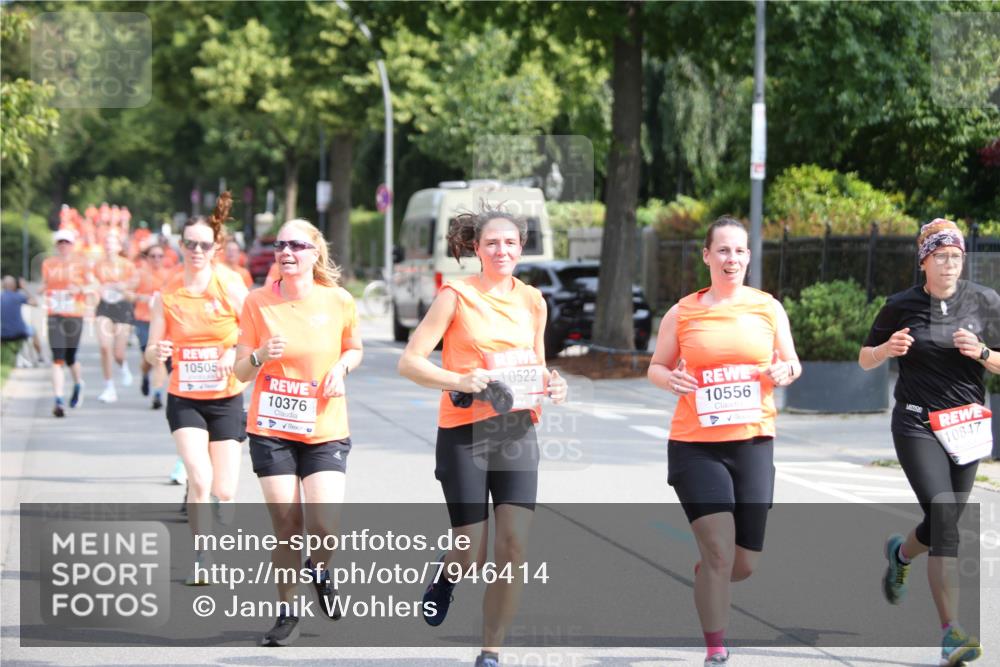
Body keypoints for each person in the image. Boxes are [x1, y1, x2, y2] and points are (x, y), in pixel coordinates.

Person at [397, 206, 568, 667]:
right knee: (470, 550)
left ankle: (490, 651)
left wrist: (552, 382)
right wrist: (459, 380)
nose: (502, 250)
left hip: (516, 431)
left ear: (521, 248)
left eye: (510, 243)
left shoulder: (533, 300)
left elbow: (535, 364)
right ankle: (448, 573)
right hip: (464, 432)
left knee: (512, 546)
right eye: (492, 243)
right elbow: (410, 362)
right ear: (476, 248)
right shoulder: (455, 295)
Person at [647, 216, 800, 667]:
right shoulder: (684, 311)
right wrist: (669, 379)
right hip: (695, 446)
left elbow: (791, 362)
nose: (732, 259)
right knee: (718, 550)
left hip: (752, 443)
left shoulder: (768, 308)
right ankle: (716, 649)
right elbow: (656, 365)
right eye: (724, 251)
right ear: (707, 256)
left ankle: (708, 577)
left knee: (743, 564)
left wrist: (784, 371)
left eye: (740, 251)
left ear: (748, 257)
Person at [859, 218, 991, 666]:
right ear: (924, 262)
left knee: (942, 524)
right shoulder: (900, 306)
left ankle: (900, 553)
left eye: (956, 257)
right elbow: (864, 358)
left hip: (967, 429)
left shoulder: (986, 302)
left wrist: (985, 354)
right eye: (941, 257)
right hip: (917, 424)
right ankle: (951, 633)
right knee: (946, 523)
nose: (950, 264)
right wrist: (886, 351)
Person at [234, 218, 363, 647]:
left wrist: (342, 368)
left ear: (315, 253)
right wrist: (256, 356)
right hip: (272, 428)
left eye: (297, 245)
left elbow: (353, 347)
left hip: (325, 426)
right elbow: (237, 372)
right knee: (287, 526)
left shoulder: (339, 300)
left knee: (325, 526)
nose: (287, 252)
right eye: (280, 244)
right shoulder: (257, 302)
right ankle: (288, 611)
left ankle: (320, 568)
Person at [144, 192, 249, 583]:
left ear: (215, 247)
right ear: (181, 246)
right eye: (190, 243)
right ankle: (201, 560)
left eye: (205, 244)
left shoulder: (230, 284)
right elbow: (152, 350)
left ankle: (222, 503)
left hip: (226, 397)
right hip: (184, 396)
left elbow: (252, 329)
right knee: (199, 479)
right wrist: (160, 350)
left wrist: (232, 352)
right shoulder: (168, 292)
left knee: (224, 489)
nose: (197, 250)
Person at [41, 229, 91, 417]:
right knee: (57, 358)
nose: (63, 246)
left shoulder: (81, 264)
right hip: (54, 313)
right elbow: (47, 284)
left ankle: (78, 383)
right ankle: (58, 400)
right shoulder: (48, 263)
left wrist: (79, 288)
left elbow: (93, 285)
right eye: (60, 243)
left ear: (72, 245)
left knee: (71, 357)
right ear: (56, 245)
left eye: (67, 243)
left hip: (74, 314)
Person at [94, 230, 138, 403]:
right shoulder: (98, 265)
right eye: (106, 242)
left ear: (119, 246)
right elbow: (93, 282)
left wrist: (123, 286)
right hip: (104, 307)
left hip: (122, 307)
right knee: (105, 347)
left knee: (118, 353)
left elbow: (134, 286)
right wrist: (97, 289)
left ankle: (123, 366)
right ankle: (109, 387)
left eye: (112, 243)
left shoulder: (127, 265)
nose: (109, 246)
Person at [134, 245, 171, 409]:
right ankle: (144, 374)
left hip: (164, 321)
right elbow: (127, 292)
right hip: (144, 320)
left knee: (159, 358)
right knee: (147, 359)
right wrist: (143, 297)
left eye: (160, 256)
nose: (157, 259)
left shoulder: (170, 275)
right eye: (153, 256)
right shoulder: (140, 274)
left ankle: (157, 393)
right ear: (147, 258)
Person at [1, 276, 42, 367]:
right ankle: (39, 357)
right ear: (14, 286)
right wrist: (24, 288)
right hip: (20, 332)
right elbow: (35, 303)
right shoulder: (18, 296)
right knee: (34, 331)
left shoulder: (1, 297)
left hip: (3, 334)